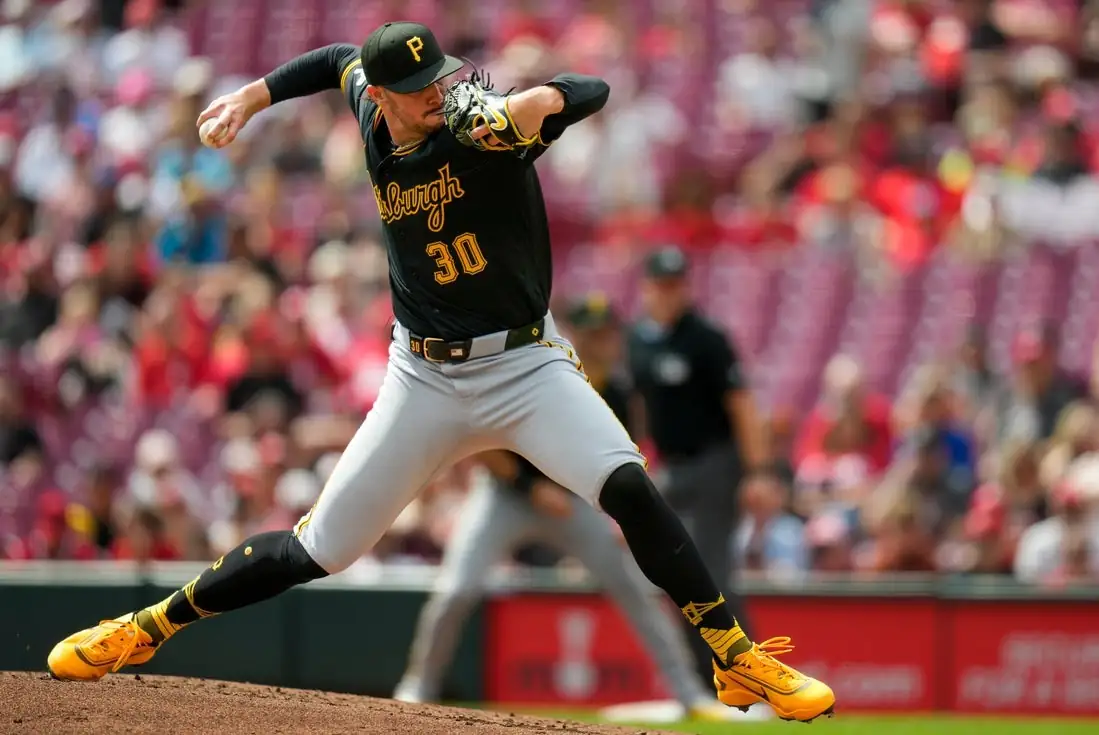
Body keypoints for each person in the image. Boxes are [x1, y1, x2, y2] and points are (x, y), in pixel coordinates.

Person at [45, 22, 834, 722]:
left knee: (627, 485)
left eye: (439, 77)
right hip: (422, 376)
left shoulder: (483, 133)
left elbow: (589, 91)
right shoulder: (370, 106)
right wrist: (254, 95)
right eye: (419, 87)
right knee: (319, 548)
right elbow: (337, 58)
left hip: (523, 365)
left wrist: (533, 103)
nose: (438, 93)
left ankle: (735, 656)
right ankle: (144, 628)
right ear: (380, 97)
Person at [393, 295, 728, 720]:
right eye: (592, 333)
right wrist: (531, 488)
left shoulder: (619, 392)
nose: (602, 341)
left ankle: (688, 692)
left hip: (573, 502)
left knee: (635, 589)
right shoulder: (543, 372)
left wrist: (622, 515)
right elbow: (481, 441)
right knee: (457, 589)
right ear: (575, 336)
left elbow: (625, 457)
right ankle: (418, 685)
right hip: (505, 496)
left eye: (607, 333)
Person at [626, 245, 770, 684]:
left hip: (714, 465)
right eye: (661, 284)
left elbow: (742, 405)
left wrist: (758, 472)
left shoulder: (707, 338)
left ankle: (750, 679)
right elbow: (639, 409)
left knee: (712, 578)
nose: (669, 293)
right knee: (677, 582)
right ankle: (705, 683)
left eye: (676, 284)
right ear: (647, 287)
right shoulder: (639, 341)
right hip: (669, 470)